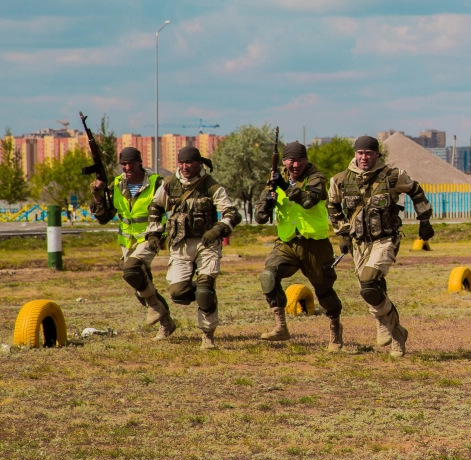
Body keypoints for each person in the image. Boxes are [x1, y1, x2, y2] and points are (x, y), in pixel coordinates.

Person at [327, 136, 434, 357]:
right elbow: (333, 206)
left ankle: (382, 322)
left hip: (385, 239)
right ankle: (397, 334)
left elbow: (416, 190)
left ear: (377, 155)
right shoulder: (339, 180)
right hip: (359, 243)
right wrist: (343, 234)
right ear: (355, 154)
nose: (364, 157)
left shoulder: (393, 176)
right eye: (360, 153)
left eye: (369, 153)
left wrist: (425, 220)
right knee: (371, 290)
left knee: (368, 281)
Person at [144, 146, 241, 349]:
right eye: (181, 162)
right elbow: (155, 207)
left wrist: (218, 230)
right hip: (180, 244)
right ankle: (203, 293)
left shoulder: (211, 185)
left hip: (207, 244)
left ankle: (208, 335)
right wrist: (154, 233)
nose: (185, 166)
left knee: (205, 291)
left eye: (189, 162)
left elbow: (232, 213)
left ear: (199, 163)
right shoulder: (170, 184)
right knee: (178, 293)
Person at [252, 142, 344, 350]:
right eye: (290, 160)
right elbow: (259, 216)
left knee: (324, 291)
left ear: (306, 160)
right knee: (269, 275)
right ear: (284, 161)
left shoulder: (316, 178)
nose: (295, 165)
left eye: (299, 160)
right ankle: (280, 326)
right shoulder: (275, 177)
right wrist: (267, 202)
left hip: (315, 244)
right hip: (287, 243)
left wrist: (284, 187)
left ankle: (335, 329)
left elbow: (309, 201)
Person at [88, 146, 175, 339]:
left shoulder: (156, 182)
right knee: (141, 284)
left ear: (140, 162)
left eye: (131, 163)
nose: (127, 167)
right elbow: (103, 218)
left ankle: (157, 311)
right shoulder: (116, 185)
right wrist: (97, 195)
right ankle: (166, 323)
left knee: (131, 271)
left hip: (150, 238)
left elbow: (173, 206)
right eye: (124, 164)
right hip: (127, 242)